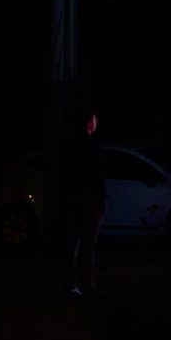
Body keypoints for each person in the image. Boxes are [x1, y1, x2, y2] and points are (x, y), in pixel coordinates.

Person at [59, 109, 106, 297]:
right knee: (88, 246)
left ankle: (72, 285)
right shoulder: (92, 145)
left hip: (74, 200)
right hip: (90, 201)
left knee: (73, 244)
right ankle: (88, 285)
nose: (96, 122)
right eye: (94, 119)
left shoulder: (70, 145)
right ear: (89, 122)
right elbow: (97, 173)